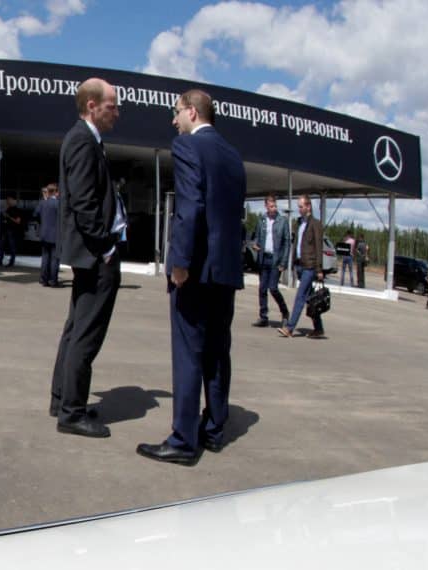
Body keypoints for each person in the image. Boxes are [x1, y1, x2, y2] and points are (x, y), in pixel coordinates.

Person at [136, 89, 246, 466]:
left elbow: (190, 207)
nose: (173, 119)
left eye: (176, 111)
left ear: (193, 112)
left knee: (188, 354)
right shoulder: (233, 155)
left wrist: (178, 261)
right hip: (226, 272)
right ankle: (214, 429)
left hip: (196, 271)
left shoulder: (186, 147)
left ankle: (183, 439)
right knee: (217, 351)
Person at [49, 77, 124, 439]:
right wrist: (106, 246)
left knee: (75, 328)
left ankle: (63, 399)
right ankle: (72, 413)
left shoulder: (87, 139)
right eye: (112, 106)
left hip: (89, 255)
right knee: (86, 334)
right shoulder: (82, 140)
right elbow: (83, 201)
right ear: (92, 106)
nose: (117, 113)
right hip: (96, 256)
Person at [278, 195, 325, 339]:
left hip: (310, 266)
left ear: (308, 207)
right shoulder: (299, 223)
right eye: (298, 206)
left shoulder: (315, 224)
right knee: (310, 299)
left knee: (300, 297)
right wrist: (292, 263)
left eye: (301, 206)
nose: (299, 209)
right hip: (300, 265)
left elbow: (318, 247)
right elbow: (296, 244)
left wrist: (319, 269)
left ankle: (290, 328)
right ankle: (319, 328)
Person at [251, 194, 290, 326]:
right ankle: (263, 316)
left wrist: (283, 263)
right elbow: (256, 236)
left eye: (275, 206)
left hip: (275, 259)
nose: (273, 208)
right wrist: (255, 244)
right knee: (262, 289)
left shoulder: (282, 221)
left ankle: (285, 313)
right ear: (266, 206)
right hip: (264, 258)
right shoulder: (262, 219)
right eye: (271, 206)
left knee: (273, 288)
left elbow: (287, 243)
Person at [34, 184, 61, 287]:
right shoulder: (58, 204)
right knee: (55, 258)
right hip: (55, 235)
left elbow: (35, 214)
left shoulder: (42, 203)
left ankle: (44, 279)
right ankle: (53, 280)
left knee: (45, 257)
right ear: (56, 192)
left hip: (44, 234)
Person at [0, 193, 22, 267]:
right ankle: (0, 260)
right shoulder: (7, 209)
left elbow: (18, 221)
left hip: (12, 230)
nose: (8, 202)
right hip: (5, 230)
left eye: (9, 200)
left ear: (13, 200)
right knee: (1, 246)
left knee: (12, 246)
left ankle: (11, 261)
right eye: (7, 200)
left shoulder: (17, 210)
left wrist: (9, 217)